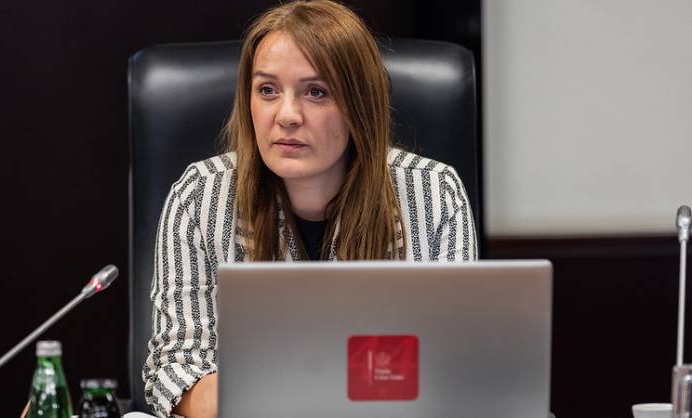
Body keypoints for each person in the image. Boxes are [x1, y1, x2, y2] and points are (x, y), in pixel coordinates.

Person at [142, 1, 478, 417]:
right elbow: (175, 371)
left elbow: (453, 369)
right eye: (267, 90)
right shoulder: (200, 195)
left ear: (360, 105)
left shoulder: (434, 193)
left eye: (317, 92)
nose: (286, 115)